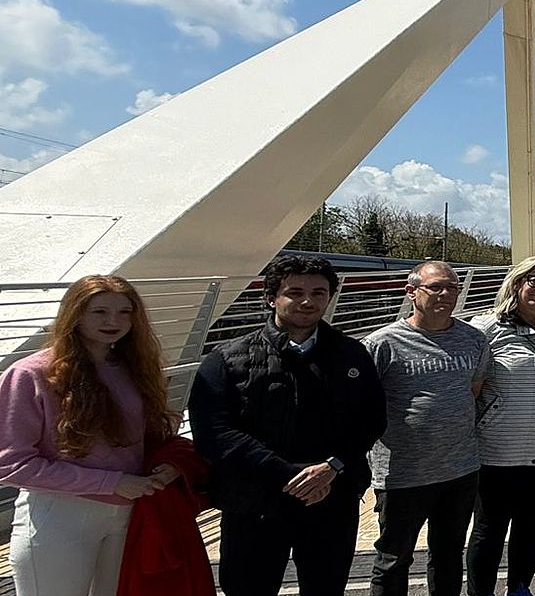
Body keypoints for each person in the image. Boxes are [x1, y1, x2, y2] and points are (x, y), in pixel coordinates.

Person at [188, 255, 386, 596]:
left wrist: (332, 466)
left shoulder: (352, 355)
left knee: (326, 588)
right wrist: (290, 475)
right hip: (255, 503)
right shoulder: (227, 359)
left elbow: (371, 419)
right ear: (271, 298)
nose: (307, 301)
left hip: (332, 497)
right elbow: (214, 433)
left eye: (318, 293)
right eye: (295, 292)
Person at [2, 276, 179, 596]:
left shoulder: (134, 369)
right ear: (74, 313)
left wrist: (168, 465)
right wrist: (112, 483)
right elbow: (12, 464)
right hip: (59, 515)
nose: (114, 321)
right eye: (99, 312)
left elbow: (148, 437)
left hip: (128, 513)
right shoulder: (30, 374)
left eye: (125, 312)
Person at [363, 261, 491, 596]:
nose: (445, 294)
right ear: (411, 292)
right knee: (393, 560)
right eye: (436, 287)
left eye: (452, 287)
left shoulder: (473, 340)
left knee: (448, 555)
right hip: (403, 475)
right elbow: (362, 405)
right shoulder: (382, 344)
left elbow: (473, 391)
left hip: (460, 471)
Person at [467, 256, 535, 596]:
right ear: (517, 283)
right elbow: (469, 388)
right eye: (534, 281)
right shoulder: (486, 329)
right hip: (498, 447)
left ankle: (520, 587)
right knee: (489, 528)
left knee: (532, 523)